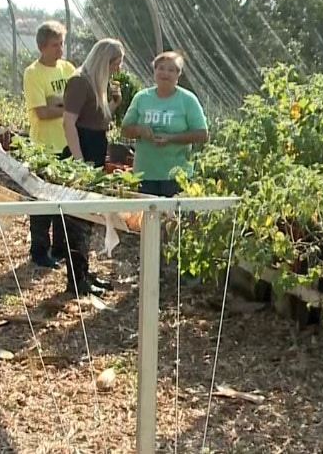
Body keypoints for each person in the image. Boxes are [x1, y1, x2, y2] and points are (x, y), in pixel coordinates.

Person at [23, 21, 106, 294]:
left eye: (61, 43)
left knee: (66, 202)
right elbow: (41, 112)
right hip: (45, 145)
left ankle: (60, 249)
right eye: (55, 45)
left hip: (69, 145)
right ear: (42, 46)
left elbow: (63, 105)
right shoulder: (33, 73)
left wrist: (60, 103)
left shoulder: (68, 69)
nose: (61, 49)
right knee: (43, 199)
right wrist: (69, 107)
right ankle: (39, 249)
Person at [60, 38, 126, 294]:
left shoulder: (97, 84)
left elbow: (96, 120)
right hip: (83, 151)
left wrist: (113, 105)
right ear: (103, 61)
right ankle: (76, 281)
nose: (117, 69)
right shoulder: (79, 82)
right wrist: (79, 162)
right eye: (115, 63)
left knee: (87, 217)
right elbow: (69, 124)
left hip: (95, 148)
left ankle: (83, 274)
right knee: (77, 218)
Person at [120, 51, 208, 197]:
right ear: (154, 71)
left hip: (176, 176)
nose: (165, 73)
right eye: (160, 68)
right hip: (144, 174)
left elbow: (202, 134)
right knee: (146, 218)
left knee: (173, 218)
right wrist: (140, 130)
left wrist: (171, 138)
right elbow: (125, 129)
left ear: (178, 74)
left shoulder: (187, 100)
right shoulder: (142, 98)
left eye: (171, 70)